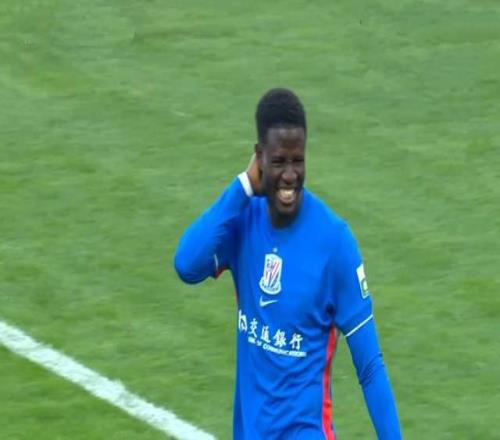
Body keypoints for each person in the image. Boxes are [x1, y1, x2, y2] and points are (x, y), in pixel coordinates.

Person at [174, 88, 401, 439]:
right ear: (259, 158)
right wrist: (242, 187)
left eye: (298, 161)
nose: (291, 175)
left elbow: (370, 366)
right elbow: (186, 265)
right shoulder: (243, 220)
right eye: (279, 161)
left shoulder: (334, 242)